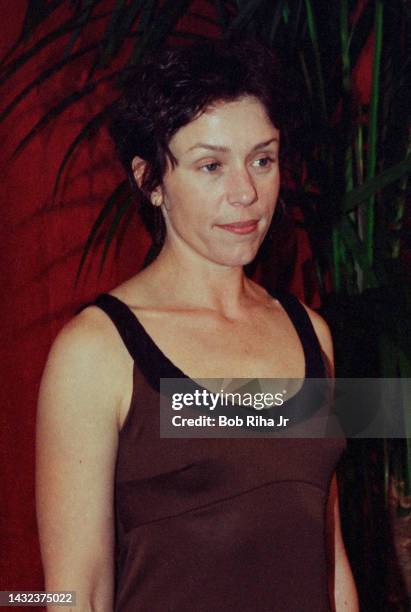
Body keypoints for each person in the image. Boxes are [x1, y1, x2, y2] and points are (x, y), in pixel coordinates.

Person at [36, 40, 359, 611]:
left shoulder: (311, 332)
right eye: (211, 165)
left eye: (263, 159)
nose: (246, 193)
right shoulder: (97, 350)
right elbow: (73, 593)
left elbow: (328, 556)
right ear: (150, 181)